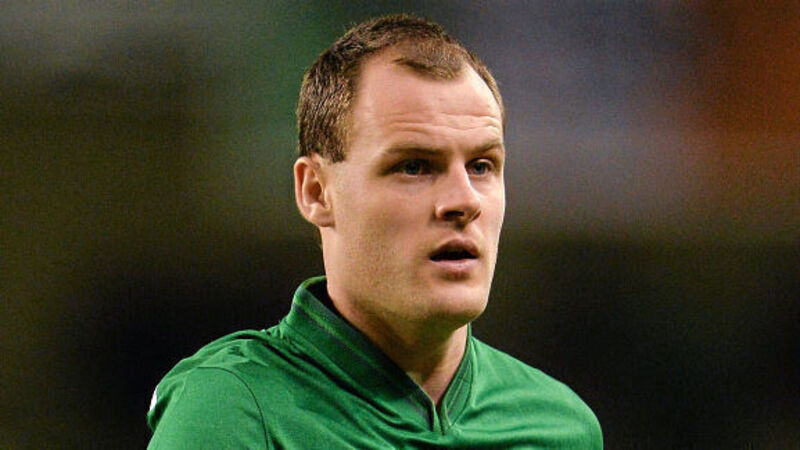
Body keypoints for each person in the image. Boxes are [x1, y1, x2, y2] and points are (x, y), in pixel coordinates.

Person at [146, 14, 602, 448]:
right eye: (414, 167)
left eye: (481, 166)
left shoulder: (559, 428)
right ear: (316, 191)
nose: (464, 201)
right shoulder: (233, 409)